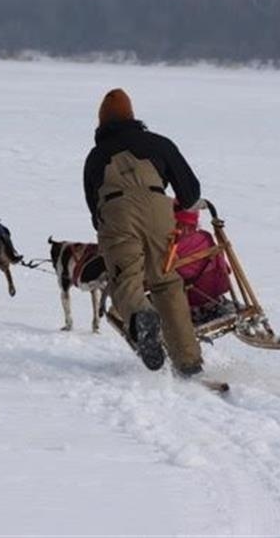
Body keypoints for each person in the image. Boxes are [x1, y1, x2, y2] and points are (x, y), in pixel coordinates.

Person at [83, 88, 204, 376]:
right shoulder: (159, 144)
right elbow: (190, 193)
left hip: (116, 213)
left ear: (101, 123)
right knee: (166, 283)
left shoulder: (96, 157)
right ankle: (188, 362)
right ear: (132, 116)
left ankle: (141, 315)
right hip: (158, 211)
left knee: (126, 282)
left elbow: (93, 208)